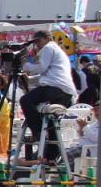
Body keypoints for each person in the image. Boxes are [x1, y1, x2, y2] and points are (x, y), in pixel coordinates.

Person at [20, 30, 77, 162]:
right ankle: (51, 157)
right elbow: (44, 75)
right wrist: (28, 79)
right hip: (64, 91)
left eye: (38, 41)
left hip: (55, 88)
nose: (37, 45)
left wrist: (25, 65)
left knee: (25, 100)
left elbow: (41, 67)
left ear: (47, 38)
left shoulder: (49, 47)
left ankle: (38, 131)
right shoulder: (56, 51)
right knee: (51, 123)